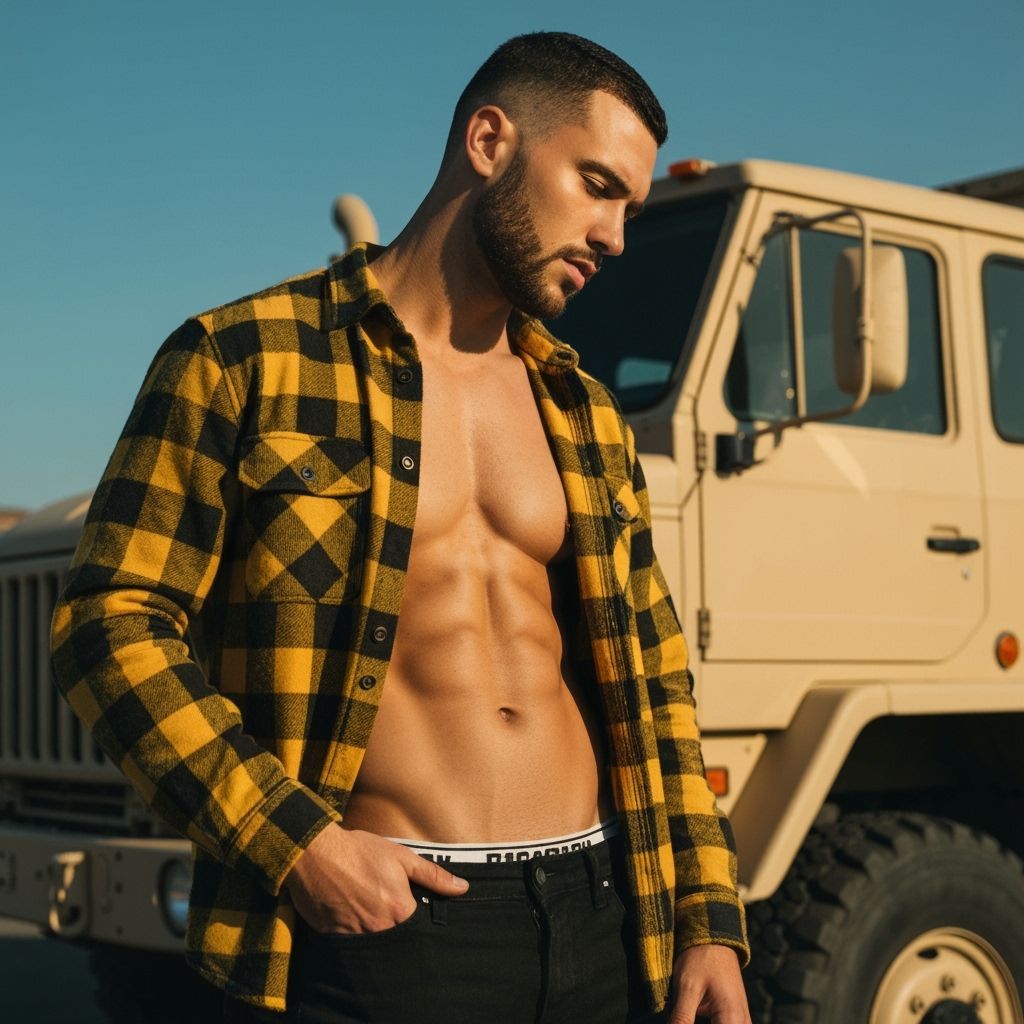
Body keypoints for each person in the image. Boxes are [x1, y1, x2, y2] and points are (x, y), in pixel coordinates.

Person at [51, 31, 750, 1024]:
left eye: (628, 206)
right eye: (597, 184)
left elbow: (654, 673)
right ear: (488, 139)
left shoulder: (582, 408)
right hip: (382, 924)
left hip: (599, 911)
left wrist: (707, 912)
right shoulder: (243, 357)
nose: (614, 235)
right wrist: (294, 842)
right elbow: (109, 623)